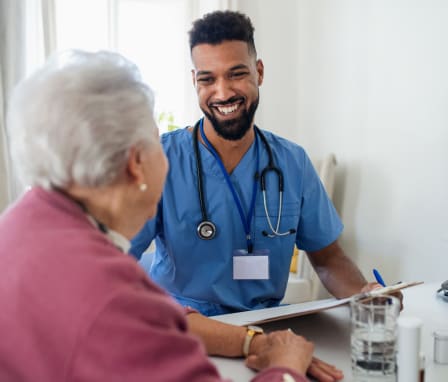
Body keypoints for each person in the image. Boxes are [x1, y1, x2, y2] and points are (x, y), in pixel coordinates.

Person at [0, 50, 316, 382]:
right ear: (136, 163)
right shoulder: (115, 299)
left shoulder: (17, 225)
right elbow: (130, 313)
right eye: (156, 143)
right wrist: (286, 367)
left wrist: (249, 340)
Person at [130, 10, 382, 315]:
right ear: (195, 81)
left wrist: (365, 297)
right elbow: (118, 258)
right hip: (185, 329)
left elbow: (328, 259)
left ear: (259, 72)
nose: (223, 93)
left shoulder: (292, 163)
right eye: (208, 79)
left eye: (236, 74)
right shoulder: (160, 159)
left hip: (265, 324)